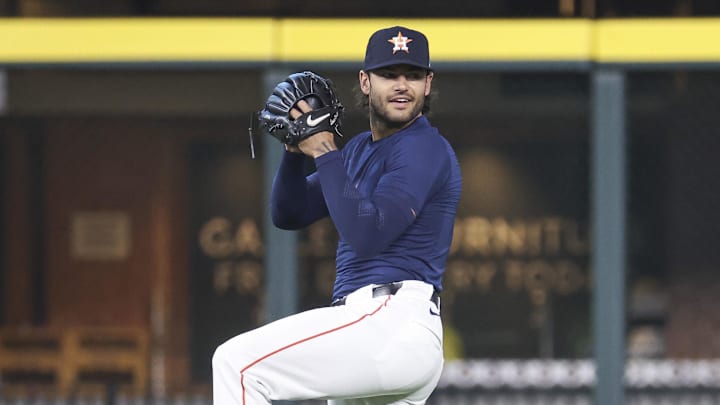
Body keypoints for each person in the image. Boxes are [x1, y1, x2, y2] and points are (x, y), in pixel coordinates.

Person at [212, 25, 462, 405]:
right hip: (379, 331)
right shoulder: (361, 149)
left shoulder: (423, 148)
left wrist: (325, 149)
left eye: (412, 75)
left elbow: (368, 234)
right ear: (365, 81)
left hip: (392, 319)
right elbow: (289, 213)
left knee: (236, 364)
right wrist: (298, 152)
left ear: (428, 84)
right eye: (388, 74)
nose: (401, 85)